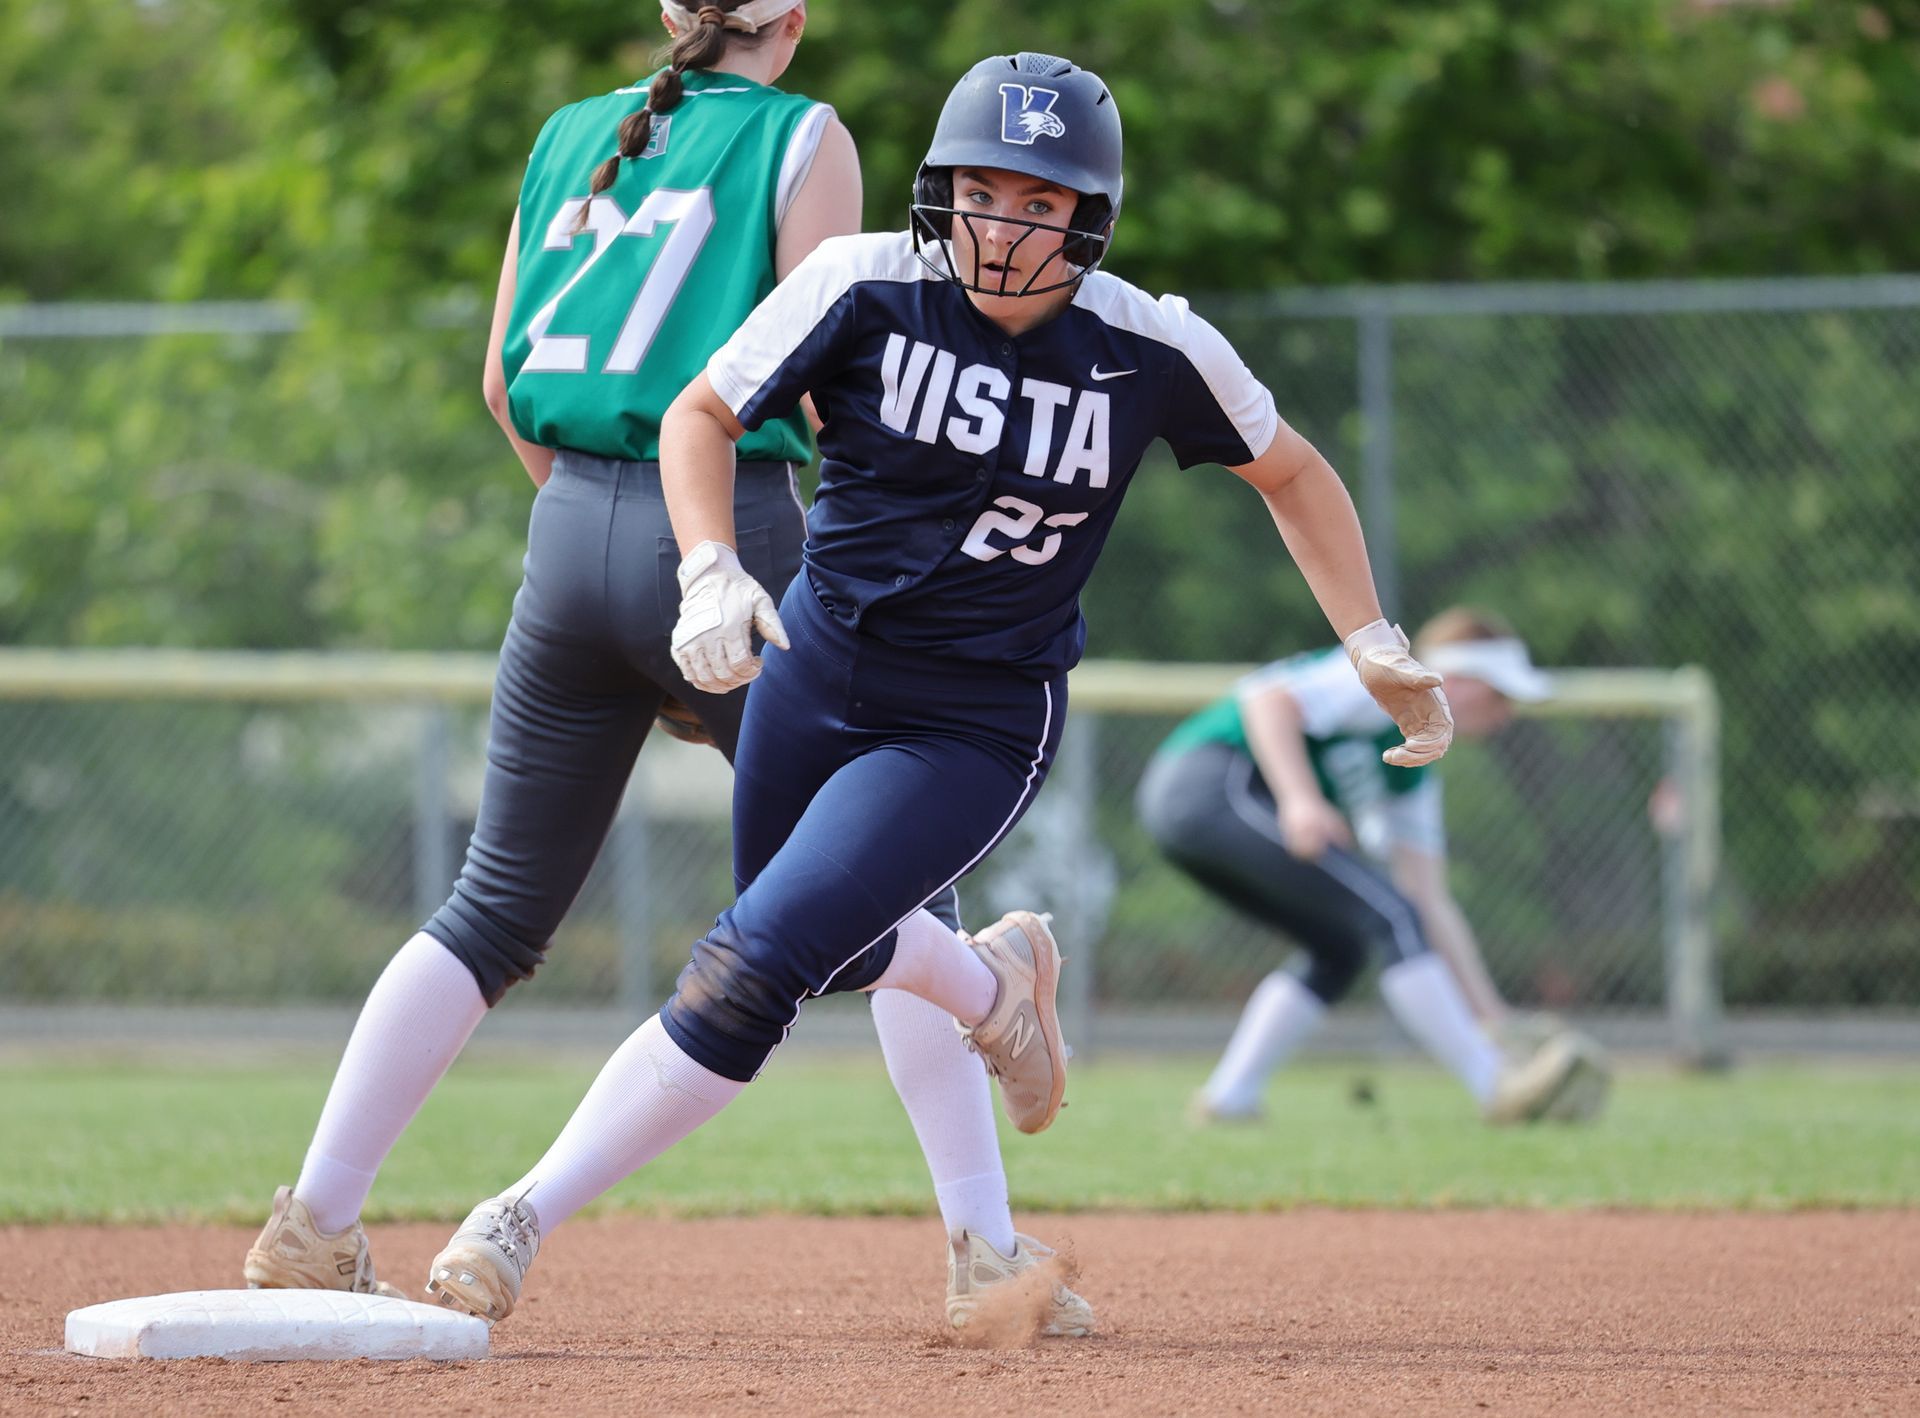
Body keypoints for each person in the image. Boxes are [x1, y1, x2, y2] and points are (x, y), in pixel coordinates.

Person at [422, 49, 1457, 1328]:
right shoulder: (863, 284)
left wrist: (1369, 637)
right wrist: (707, 570)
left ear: (1090, 217)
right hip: (815, 672)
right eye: (981, 188)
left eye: (1039, 200)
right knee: (844, 948)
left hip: (972, 716)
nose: (1002, 223)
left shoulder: (1147, 343)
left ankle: (517, 1215)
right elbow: (699, 413)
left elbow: (1293, 472)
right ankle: (991, 1033)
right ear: (938, 187)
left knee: (753, 965)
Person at [244, 3, 1091, 1339]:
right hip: (736, 529)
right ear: (793, 22)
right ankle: (987, 1210)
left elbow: (501, 380)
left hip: (567, 526)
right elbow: (825, 378)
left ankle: (316, 1217)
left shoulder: (574, 132)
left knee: (490, 911)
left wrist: (603, 533)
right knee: (893, 874)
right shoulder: (802, 135)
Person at [1137, 607, 1612, 1125]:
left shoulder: (1414, 766)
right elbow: (1269, 702)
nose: (1506, 714)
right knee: (1388, 916)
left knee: (1340, 948)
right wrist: (1300, 800)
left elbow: (1429, 898)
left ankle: (1230, 1099)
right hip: (1206, 783)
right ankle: (1494, 1086)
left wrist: (1491, 1015)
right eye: (1499, 694)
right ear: (1454, 677)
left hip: (1206, 811)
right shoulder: (1395, 674)